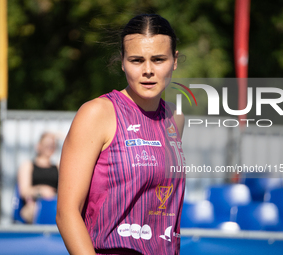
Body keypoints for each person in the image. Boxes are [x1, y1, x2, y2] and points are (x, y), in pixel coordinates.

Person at [56, 14, 185, 254]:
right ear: (123, 62)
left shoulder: (175, 118)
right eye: (137, 60)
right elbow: (66, 213)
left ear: (174, 60)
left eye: (158, 59)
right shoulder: (97, 113)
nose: (148, 70)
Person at [17, 132, 59, 223]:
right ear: (39, 146)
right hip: (33, 204)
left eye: (52, 145)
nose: (50, 147)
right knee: (36, 211)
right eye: (47, 144)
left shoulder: (58, 166)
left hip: (53, 204)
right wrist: (41, 191)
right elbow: (24, 191)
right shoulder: (28, 165)